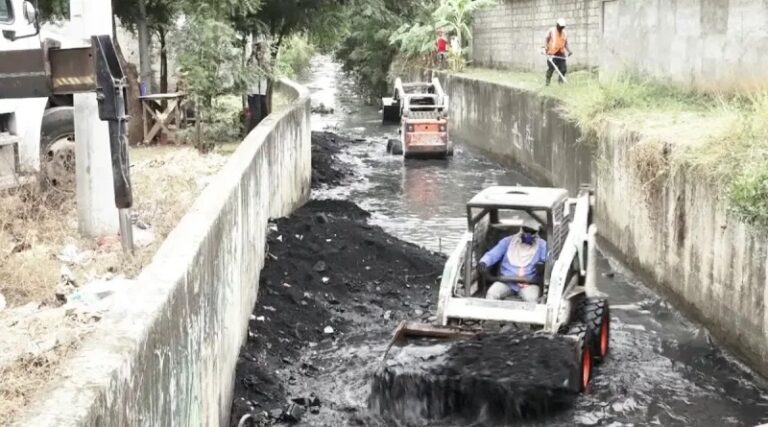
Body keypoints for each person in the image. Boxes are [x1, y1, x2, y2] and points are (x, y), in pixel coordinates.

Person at [478, 219, 548, 302]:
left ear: (536, 233)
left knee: (532, 298)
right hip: (506, 281)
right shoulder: (507, 241)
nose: (528, 234)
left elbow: (547, 260)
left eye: (531, 232)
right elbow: (493, 254)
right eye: (526, 230)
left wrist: (543, 266)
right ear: (521, 229)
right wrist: (484, 262)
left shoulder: (542, 245)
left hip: (529, 283)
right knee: (492, 293)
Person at [246, 40, 269, 132]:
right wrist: (256, 59)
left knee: (263, 115)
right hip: (253, 92)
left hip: (262, 92)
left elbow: (268, 72)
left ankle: (258, 133)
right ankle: (251, 133)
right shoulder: (252, 60)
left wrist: (263, 62)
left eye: (264, 51)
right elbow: (252, 71)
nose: (263, 53)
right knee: (256, 116)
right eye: (262, 50)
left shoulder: (264, 61)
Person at [545, 18, 572, 86]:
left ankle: (560, 83)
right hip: (552, 53)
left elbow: (565, 43)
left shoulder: (565, 33)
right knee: (551, 68)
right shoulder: (552, 30)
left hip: (561, 53)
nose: (561, 28)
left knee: (563, 69)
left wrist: (569, 51)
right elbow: (547, 39)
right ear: (557, 25)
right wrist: (546, 48)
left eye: (562, 27)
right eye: (560, 27)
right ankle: (547, 83)